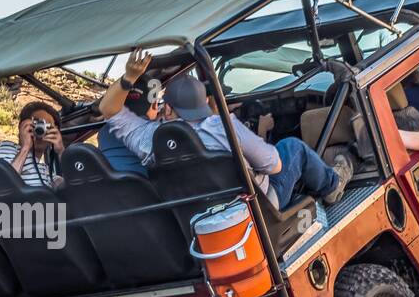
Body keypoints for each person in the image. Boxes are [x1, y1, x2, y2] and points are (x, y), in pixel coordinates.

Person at [97, 48, 350, 209]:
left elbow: (108, 109)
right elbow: (275, 166)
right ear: (204, 103)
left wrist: (129, 77)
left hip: (199, 221)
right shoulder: (223, 127)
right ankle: (332, 186)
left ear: (168, 110)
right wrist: (259, 133)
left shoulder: (149, 139)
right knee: (292, 147)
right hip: (259, 213)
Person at [0, 101, 66, 189]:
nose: (40, 129)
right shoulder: (6, 147)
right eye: (36, 123)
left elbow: (73, 189)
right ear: (22, 126)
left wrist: (61, 152)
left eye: (47, 127)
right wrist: (25, 148)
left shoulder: (47, 172)